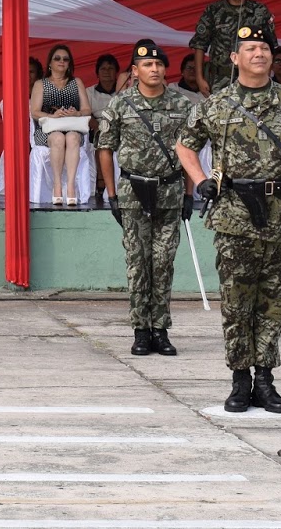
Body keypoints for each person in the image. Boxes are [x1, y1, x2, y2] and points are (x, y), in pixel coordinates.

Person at [176, 22, 281, 415]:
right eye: (251, 48)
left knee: (274, 302)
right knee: (236, 302)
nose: (259, 53)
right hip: (234, 215)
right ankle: (240, 380)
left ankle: (266, 379)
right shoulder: (216, 104)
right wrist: (201, 181)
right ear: (234, 57)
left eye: (265, 48)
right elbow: (185, 145)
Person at [96, 39, 198, 357]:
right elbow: (105, 149)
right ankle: (141, 330)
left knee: (163, 261)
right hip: (133, 192)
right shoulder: (120, 104)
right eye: (147, 65)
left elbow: (190, 150)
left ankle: (160, 330)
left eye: (159, 64)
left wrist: (190, 194)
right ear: (135, 71)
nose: (154, 69)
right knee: (138, 263)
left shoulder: (181, 106)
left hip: (169, 191)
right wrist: (111, 195)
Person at [190, 0, 277, 96]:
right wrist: (199, 78)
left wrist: (266, 75)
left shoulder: (259, 11)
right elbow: (200, 45)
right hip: (221, 79)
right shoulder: (214, 10)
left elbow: (270, 46)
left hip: (253, 77)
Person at [30, 44, 90, 208]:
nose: (61, 61)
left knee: (71, 137)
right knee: (57, 138)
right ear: (50, 63)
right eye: (57, 58)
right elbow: (35, 112)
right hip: (49, 129)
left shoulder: (76, 82)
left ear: (70, 63)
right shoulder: (40, 84)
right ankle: (57, 186)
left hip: (72, 127)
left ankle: (70, 187)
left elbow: (87, 109)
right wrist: (52, 116)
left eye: (65, 59)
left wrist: (75, 113)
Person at [87, 53, 123, 206]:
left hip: (120, 127)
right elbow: (86, 115)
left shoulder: (122, 91)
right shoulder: (90, 92)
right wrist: (98, 126)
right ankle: (102, 185)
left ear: (117, 73)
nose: (107, 72)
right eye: (103, 69)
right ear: (97, 73)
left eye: (111, 69)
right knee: (102, 142)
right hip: (97, 128)